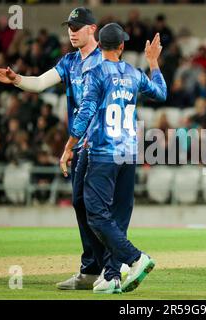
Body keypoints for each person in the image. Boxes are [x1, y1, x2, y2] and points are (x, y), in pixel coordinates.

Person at [0, 7, 127, 290]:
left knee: (101, 210)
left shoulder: (107, 61)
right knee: (80, 204)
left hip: (104, 146)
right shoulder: (70, 62)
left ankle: (112, 269)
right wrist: (17, 80)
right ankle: (91, 269)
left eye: (77, 27)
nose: (71, 32)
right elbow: (39, 83)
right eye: (69, 27)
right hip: (81, 148)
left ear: (93, 29)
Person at [60, 25, 167, 294]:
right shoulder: (133, 73)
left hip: (102, 153)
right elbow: (161, 93)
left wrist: (70, 146)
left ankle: (136, 258)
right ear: (121, 47)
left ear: (101, 45)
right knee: (117, 216)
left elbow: (84, 114)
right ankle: (111, 276)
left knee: (96, 215)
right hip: (129, 153)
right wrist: (153, 62)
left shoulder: (95, 73)